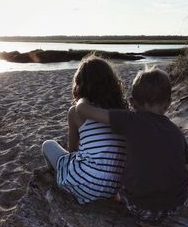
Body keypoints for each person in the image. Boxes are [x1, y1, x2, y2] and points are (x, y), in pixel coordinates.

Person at [76, 67, 188, 221]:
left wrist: (82, 98)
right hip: (176, 206)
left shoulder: (130, 120)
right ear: (168, 103)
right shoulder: (176, 132)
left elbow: (83, 110)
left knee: (120, 184)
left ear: (132, 102)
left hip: (141, 208)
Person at [42, 56, 127, 204]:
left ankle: (59, 177)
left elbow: (73, 151)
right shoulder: (121, 114)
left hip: (84, 186)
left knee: (47, 145)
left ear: (80, 86)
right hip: (112, 188)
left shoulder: (76, 112)